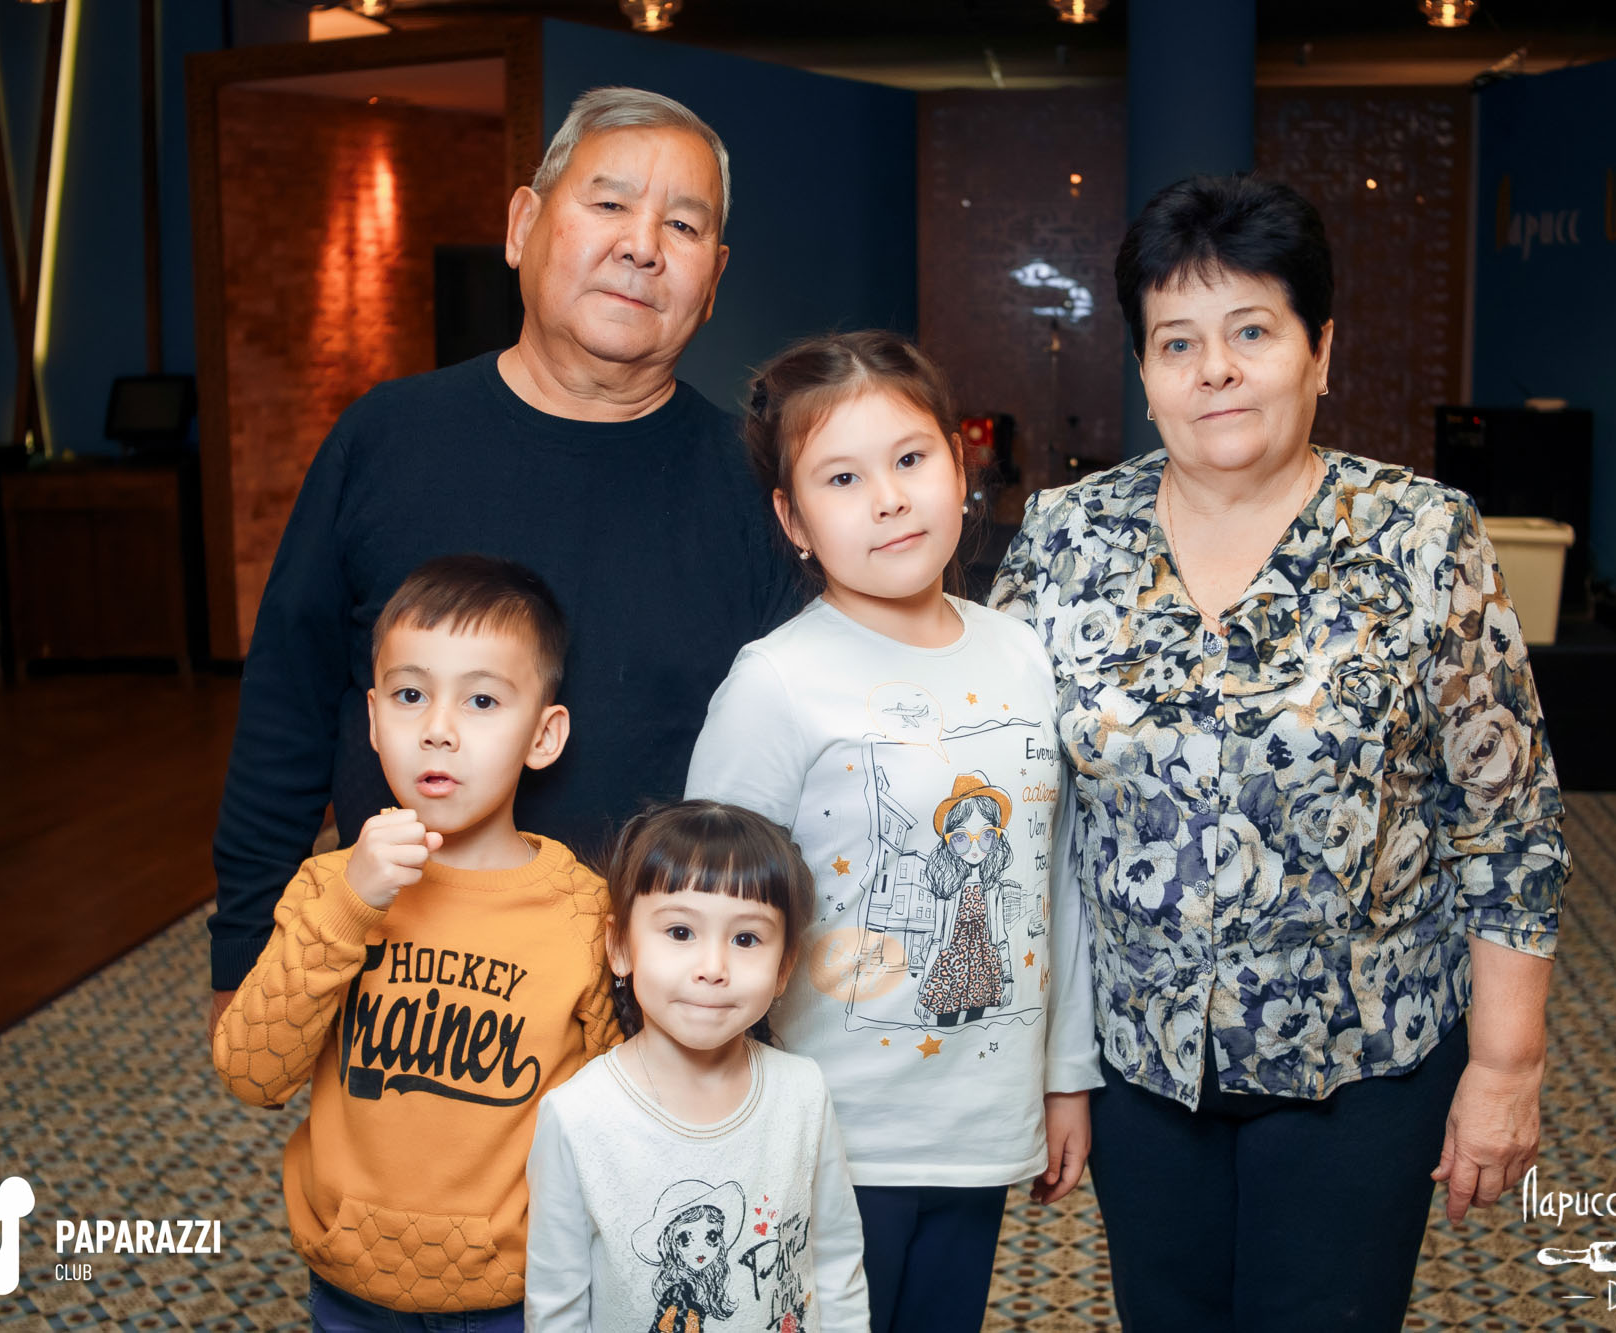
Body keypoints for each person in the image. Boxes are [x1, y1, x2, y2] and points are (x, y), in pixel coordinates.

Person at [990, 174, 1571, 1332]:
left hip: (1361, 1064)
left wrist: (1505, 1066)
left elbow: (1506, 821)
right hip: (1138, 1062)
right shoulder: (1064, 539)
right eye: (1176, 342)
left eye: (1250, 331)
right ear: (1143, 371)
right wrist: (1038, 1057)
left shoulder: (1420, 537)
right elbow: (1009, 804)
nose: (1213, 369)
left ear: (1319, 350)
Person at [207, 86, 800, 1035]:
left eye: (683, 226)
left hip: (662, 1026)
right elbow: (289, 708)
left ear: (714, 275)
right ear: (524, 225)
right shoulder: (385, 440)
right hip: (406, 1007)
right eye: (609, 204)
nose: (642, 245)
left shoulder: (759, 486)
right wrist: (245, 951)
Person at [683, 331, 1100, 1333]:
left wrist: (1065, 1081)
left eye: (910, 459)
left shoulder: (1022, 654)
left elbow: (1058, 886)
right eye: (842, 477)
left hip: (980, 1122)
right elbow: (704, 911)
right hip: (824, 1130)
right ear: (792, 518)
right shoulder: (776, 681)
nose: (889, 498)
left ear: (958, 466)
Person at [212, 556, 619, 1330]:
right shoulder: (327, 888)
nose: (438, 728)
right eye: (410, 695)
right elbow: (253, 1074)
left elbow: (624, 1123)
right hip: (349, 1286)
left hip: (522, 1293)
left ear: (543, 734)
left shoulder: (583, 913)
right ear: (372, 721)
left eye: (481, 699)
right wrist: (350, 906)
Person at [523, 801, 869, 1333]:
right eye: (681, 932)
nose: (713, 968)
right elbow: (556, 1308)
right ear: (620, 946)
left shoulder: (803, 1091)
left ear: (783, 968)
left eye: (746, 939)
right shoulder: (577, 1116)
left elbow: (836, 1261)